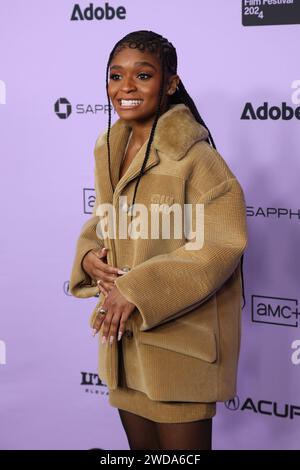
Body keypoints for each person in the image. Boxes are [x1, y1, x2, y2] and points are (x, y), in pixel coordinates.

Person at [69, 30, 248, 450]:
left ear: (170, 83)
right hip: (124, 342)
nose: (125, 87)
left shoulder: (197, 157)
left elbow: (222, 245)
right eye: (116, 76)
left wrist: (136, 289)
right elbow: (106, 218)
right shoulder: (110, 146)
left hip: (180, 344)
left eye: (142, 75)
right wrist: (89, 257)